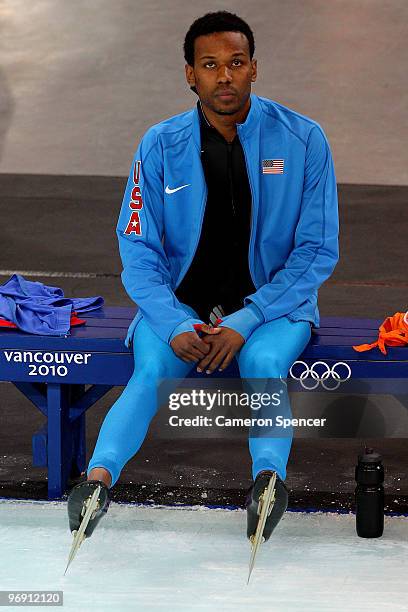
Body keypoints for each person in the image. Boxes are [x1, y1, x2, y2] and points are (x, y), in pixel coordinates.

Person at [67, 10, 339, 544]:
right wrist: (170, 321)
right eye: (210, 65)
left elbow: (317, 251)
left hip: (273, 309)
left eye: (236, 63)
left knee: (262, 361)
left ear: (254, 68)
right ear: (190, 74)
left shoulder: (304, 139)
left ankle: (268, 482)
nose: (225, 76)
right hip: (179, 309)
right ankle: (96, 483)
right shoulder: (159, 145)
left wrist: (250, 315)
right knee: (150, 371)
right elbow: (138, 248)